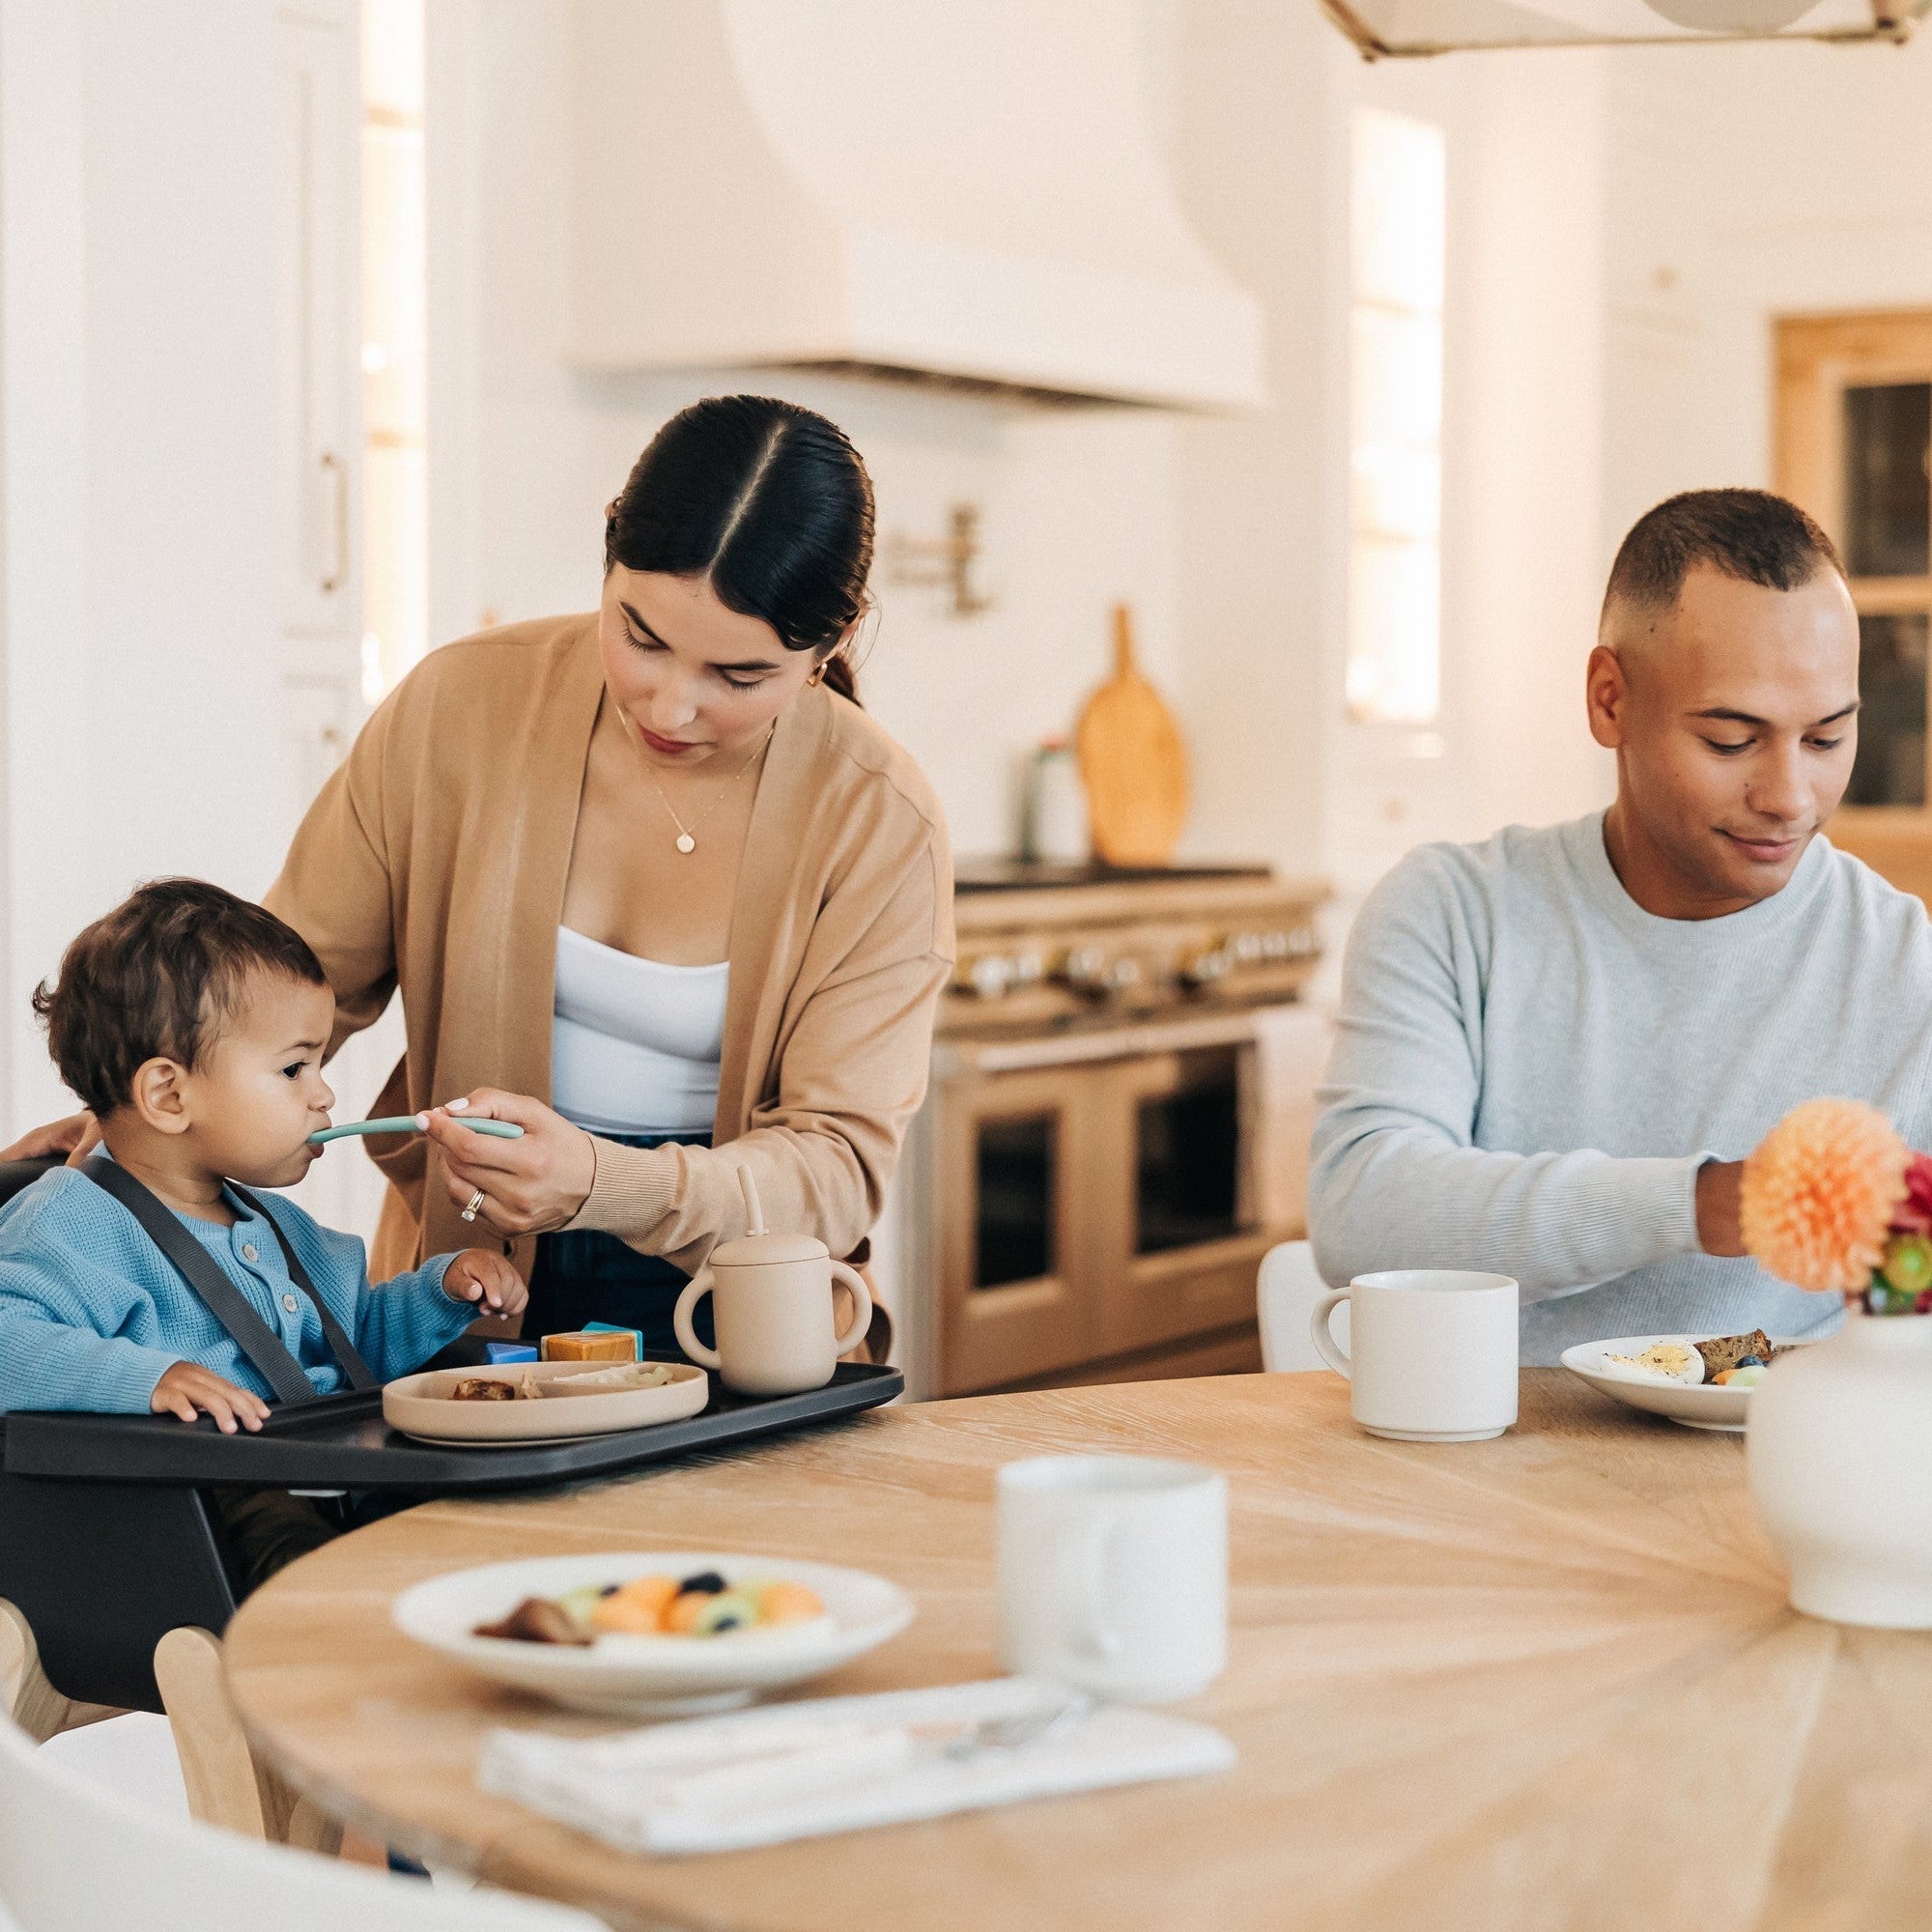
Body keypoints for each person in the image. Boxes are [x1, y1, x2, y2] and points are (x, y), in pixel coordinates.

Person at [11, 395, 953, 1358]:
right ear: (606, 555)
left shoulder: (878, 818)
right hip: (465, 1283)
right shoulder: (458, 707)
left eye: (739, 677)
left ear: (830, 645)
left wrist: (598, 1183)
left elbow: (836, 1175)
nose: (671, 704)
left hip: (737, 1306)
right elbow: (265, 993)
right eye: (640, 637)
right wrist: (135, 1129)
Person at [1310, 487, 1932, 1363]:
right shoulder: (1454, 913)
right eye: (1731, 741)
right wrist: (1706, 1203)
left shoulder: (1908, 967)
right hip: (1476, 1437)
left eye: (1826, 740)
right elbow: (1361, 1213)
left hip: (1772, 1444)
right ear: (1610, 701)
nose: (1790, 797)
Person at [0, 879, 526, 1589]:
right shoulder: (70, 1224)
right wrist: (146, 1378)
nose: (324, 1093)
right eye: (293, 1068)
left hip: (327, 1472)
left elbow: (356, 1342)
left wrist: (442, 1292)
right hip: (195, 1507)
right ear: (169, 1095)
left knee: (475, 1521)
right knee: (306, 1554)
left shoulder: (278, 1226)